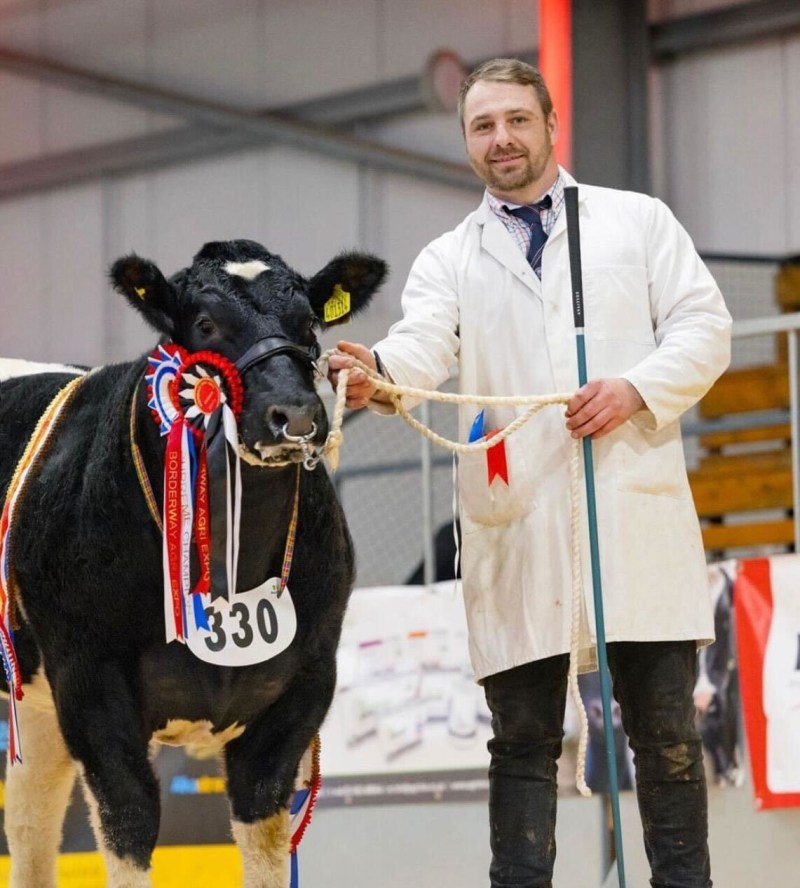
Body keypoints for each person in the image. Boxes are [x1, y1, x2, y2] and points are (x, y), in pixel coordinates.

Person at [328, 58, 730, 888]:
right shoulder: (449, 257)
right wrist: (378, 370)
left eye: (516, 119)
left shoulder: (636, 222)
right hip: (519, 524)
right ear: (468, 141)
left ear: (550, 123)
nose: (501, 139)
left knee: (665, 734)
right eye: (483, 125)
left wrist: (635, 389)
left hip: (632, 509)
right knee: (520, 743)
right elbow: (422, 343)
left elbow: (704, 322)